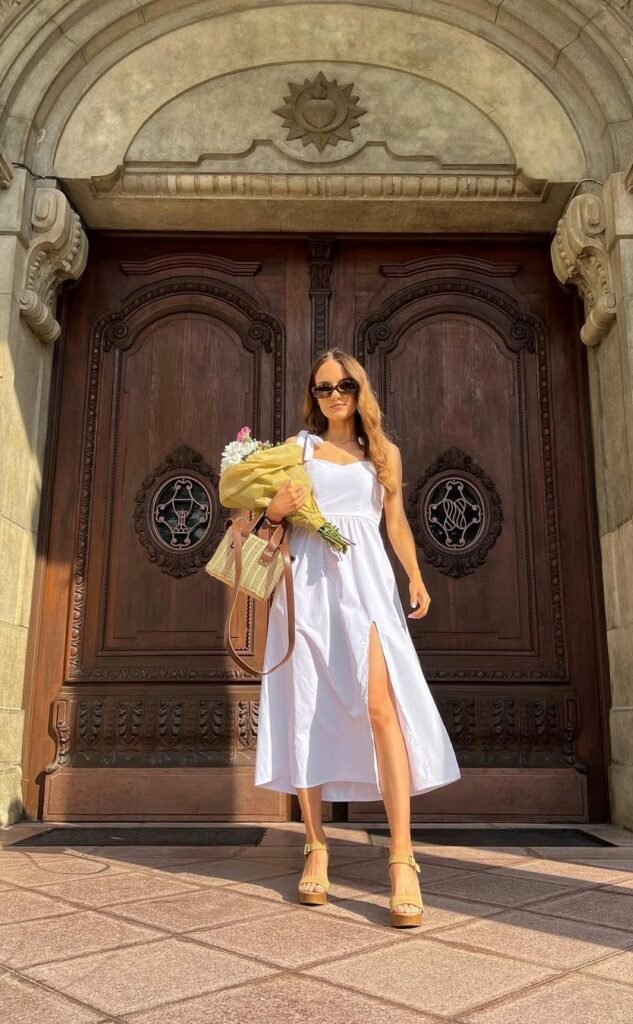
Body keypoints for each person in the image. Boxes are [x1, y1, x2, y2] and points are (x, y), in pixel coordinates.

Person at [254, 348, 461, 927]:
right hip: (308, 585)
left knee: (382, 707)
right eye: (323, 388)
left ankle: (402, 858)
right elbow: (260, 515)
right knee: (308, 708)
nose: (335, 394)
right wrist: (275, 506)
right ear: (313, 396)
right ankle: (315, 846)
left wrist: (416, 575)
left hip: (367, 585)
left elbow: (394, 523)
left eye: (344, 385)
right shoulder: (297, 450)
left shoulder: (384, 453)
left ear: (360, 388)